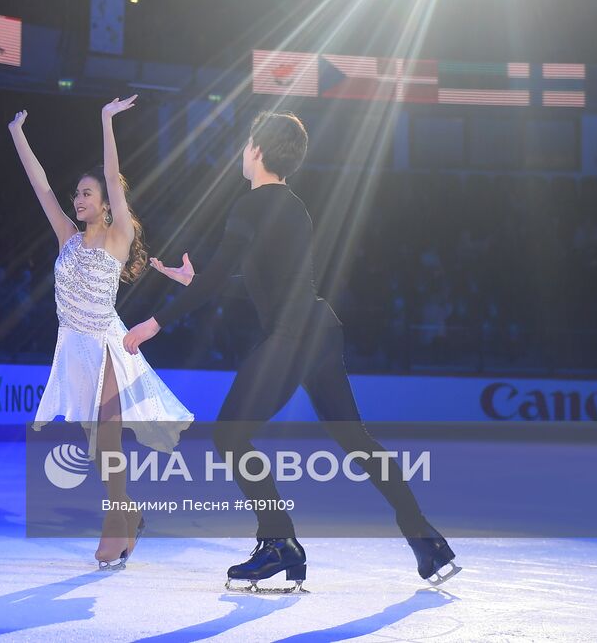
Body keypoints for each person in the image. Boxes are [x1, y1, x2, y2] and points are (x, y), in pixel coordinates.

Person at [125, 110, 458, 590]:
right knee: (355, 442)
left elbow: (229, 278)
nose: (242, 152)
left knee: (229, 437)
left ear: (257, 151)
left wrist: (156, 321)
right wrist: (196, 279)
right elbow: (265, 281)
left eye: (246, 144)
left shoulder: (250, 205)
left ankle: (279, 541)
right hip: (320, 331)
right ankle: (424, 537)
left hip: (290, 337)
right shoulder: (293, 205)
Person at [11, 95, 194, 569]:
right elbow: (39, 185)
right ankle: (129, 512)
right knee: (96, 448)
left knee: (108, 441)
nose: (78, 198)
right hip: (73, 348)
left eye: (87, 193)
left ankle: (115, 524)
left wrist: (105, 121)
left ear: (106, 203)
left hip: (108, 344)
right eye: (77, 194)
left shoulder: (118, 237)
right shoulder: (66, 237)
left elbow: (114, 177)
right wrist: (16, 134)